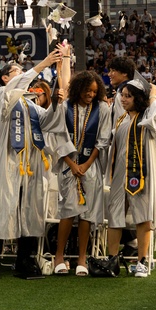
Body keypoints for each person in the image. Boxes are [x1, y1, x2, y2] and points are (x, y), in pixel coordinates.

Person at [0, 45, 66, 280]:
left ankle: (24, 261)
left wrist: (56, 103)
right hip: (9, 161)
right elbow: (12, 90)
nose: (23, 74)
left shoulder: (31, 105)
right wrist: (42, 65)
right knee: (3, 208)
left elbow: (48, 122)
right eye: (17, 71)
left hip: (32, 164)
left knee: (30, 209)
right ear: (5, 77)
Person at [105, 76, 156, 278]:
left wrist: (153, 96)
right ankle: (112, 259)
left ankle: (142, 261)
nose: (123, 100)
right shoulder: (122, 119)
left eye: (128, 96)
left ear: (138, 98)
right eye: (122, 95)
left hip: (142, 174)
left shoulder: (147, 117)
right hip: (119, 175)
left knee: (142, 217)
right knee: (115, 216)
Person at [52, 70, 110, 276]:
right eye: (87, 91)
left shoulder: (102, 108)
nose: (91, 95)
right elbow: (58, 137)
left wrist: (86, 165)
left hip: (90, 168)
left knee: (87, 214)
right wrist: (72, 163)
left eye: (94, 91)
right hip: (69, 168)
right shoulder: (64, 107)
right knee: (68, 210)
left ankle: (82, 259)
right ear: (79, 89)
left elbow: (103, 140)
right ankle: (59, 256)